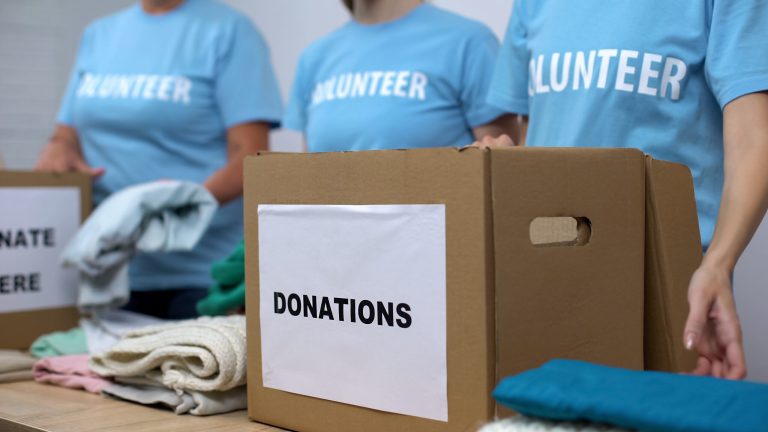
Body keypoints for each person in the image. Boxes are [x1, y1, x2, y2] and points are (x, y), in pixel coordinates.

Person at [481, 1, 768, 379]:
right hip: (545, 281)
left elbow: (753, 136)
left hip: (665, 291)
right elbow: (541, 133)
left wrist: (718, 263)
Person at [35, 0, 283, 319]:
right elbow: (67, 132)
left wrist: (180, 205)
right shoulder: (99, 34)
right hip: (108, 270)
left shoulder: (228, 31)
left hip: (200, 274)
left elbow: (251, 156)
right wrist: (59, 146)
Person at [283, 0, 517, 152]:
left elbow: (497, 172)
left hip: (440, 226)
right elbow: (308, 178)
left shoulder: (469, 42)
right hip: (334, 228)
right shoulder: (315, 57)